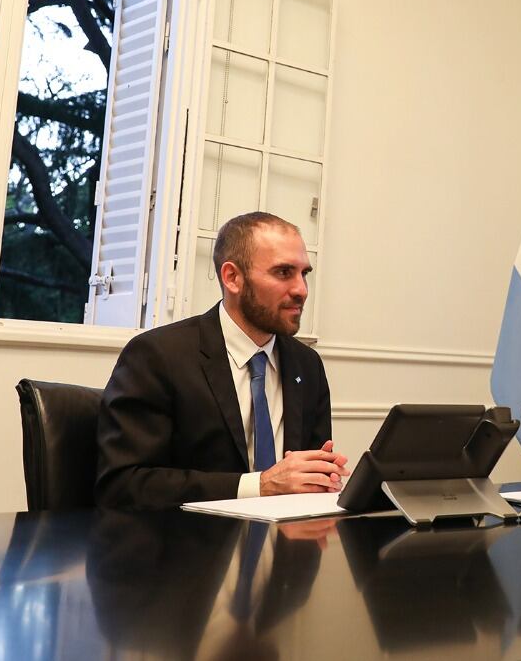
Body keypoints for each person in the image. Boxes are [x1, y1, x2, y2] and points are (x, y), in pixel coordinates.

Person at [97, 212, 346, 509]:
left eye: (304, 273)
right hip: (188, 547)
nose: (301, 290)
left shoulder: (307, 365)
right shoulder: (157, 356)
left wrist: (323, 479)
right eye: (283, 272)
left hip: (287, 546)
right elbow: (124, 485)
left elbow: (305, 478)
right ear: (233, 278)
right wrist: (260, 485)